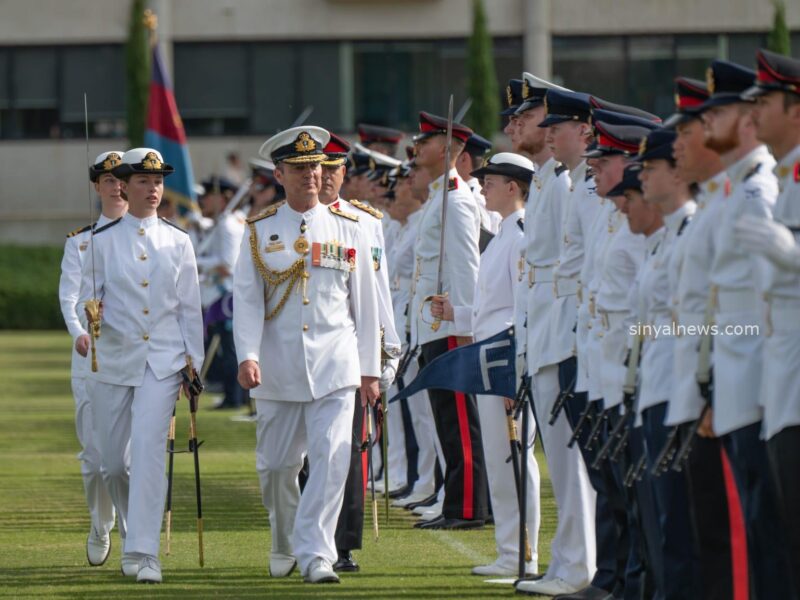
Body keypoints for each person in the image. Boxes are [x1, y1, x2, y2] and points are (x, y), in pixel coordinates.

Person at [233, 126, 380, 584]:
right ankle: (285, 538)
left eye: (314, 166)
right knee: (277, 466)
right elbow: (247, 300)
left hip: (336, 364)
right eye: (299, 168)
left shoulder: (350, 227)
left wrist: (371, 369)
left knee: (333, 459)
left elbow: (366, 304)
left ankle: (318, 553)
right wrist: (247, 355)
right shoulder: (259, 230)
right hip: (277, 367)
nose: (310, 175)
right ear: (279, 174)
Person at [78, 147, 204, 584]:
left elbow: (189, 308)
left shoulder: (179, 241)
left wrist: (193, 365)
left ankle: (144, 552)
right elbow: (84, 298)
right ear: (124, 186)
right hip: (114, 360)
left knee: (150, 454)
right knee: (113, 464)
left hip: (163, 362)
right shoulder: (100, 241)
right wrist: (89, 313)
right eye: (144, 181)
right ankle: (130, 530)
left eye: (158, 182)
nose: (153, 189)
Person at [700, 59, 795, 600]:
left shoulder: (763, 190)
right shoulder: (750, 189)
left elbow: (758, 301)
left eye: (763, 103)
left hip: (766, 380)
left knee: (768, 537)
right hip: (754, 380)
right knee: (761, 534)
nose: (754, 114)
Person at [431, 152, 541, 577]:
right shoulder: (502, 234)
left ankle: (524, 554)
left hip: (505, 361)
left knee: (515, 458)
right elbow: (490, 309)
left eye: (490, 182)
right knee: (498, 458)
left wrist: (516, 373)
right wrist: (456, 314)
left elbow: (520, 311)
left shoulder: (521, 235)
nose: (483, 188)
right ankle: (510, 551)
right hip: (491, 358)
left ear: (513, 187)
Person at [516, 85, 598, 597]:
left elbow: (574, 267)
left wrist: (567, 336)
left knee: (572, 461)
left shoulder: (570, 183)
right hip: (546, 327)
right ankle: (565, 560)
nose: (544, 133)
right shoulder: (550, 179)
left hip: (565, 328)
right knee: (561, 460)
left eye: (550, 123)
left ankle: (579, 565)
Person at [668, 75, 747, 600]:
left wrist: (717, 387)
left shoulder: (748, 195)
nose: (677, 143)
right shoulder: (717, 201)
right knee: (706, 534)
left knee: (737, 539)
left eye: (690, 128)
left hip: (735, 388)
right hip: (700, 383)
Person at [317, 133, 400, 573]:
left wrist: (386, 352)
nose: (326, 178)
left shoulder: (365, 221)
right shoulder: (288, 223)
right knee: (303, 455)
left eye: (334, 169)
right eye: (320, 169)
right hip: (304, 353)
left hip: (350, 351)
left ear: (344, 173)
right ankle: (307, 538)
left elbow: (378, 293)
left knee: (348, 450)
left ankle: (343, 543)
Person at [735, 48, 800, 596]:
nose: (753, 112)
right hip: (779, 383)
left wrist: (791, 253)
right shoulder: (785, 176)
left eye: (765, 101)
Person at [409, 111, 488, 530]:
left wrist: (466, 323)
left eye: (424, 142)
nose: (416, 148)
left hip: (451, 328)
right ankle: (456, 502)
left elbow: (465, 267)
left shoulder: (456, 201)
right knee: (446, 420)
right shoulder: (440, 198)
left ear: (445, 148)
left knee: (459, 421)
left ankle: (468, 507)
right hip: (434, 325)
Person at [635, 127, 698, 599]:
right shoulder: (666, 239)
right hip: (656, 388)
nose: (642, 177)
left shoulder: (692, 232)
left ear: (677, 174)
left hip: (682, 395)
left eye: (651, 168)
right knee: (665, 523)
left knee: (683, 530)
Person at [59, 150, 127, 568]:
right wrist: (79, 332)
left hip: (133, 356)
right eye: (108, 181)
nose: (116, 187)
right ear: (97, 187)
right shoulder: (80, 241)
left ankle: (134, 535)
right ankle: (101, 523)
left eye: (122, 179)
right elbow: (69, 296)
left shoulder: (147, 237)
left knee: (128, 458)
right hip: (92, 356)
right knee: (94, 458)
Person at [195, 175, 247, 410]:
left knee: (229, 350)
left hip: (226, 296)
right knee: (226, 348)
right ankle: (232, 395)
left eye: (208, 196)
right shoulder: (222, 223)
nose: (203, 201)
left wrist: (196, 262)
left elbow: (228, 264)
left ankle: (234, 397)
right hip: (220, 295)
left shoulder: (227, 225)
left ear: (222, 198)